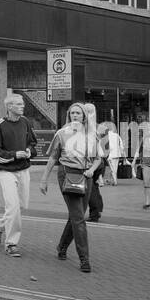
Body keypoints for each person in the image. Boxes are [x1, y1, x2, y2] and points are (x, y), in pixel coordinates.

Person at [39, 102, 101, 273]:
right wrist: (44, 179)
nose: (75, 116)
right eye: (72, 113)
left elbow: (98, 158)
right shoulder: (61, 133)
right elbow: (52, 158)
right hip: (67, 174)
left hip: (86, 176)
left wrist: (92, 171)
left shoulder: (91, 134)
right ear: (69, 115)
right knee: (79, 218)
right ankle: (84, 259)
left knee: (77, 215)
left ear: (84, 116)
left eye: (78, 113)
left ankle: (61, 246)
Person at [0, 92, 37, 257]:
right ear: (9, 107)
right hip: (6, 172)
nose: (22, 107)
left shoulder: (25, 122)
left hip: (24, 170)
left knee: (21, 207)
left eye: (22, 104)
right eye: (18, 104)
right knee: (13, 207)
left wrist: (31, 150)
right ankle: (11, 244)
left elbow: (32, 142)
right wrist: (15, 155)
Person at [103, 121, 124, 186]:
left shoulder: (106, 136)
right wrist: (122, 153)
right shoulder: (117, 135)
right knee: (114, 168)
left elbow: (106, 146)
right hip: (117, 154)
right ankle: (110, 180)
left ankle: (115, 181)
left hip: (110, 154)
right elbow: (121, 145)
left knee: (112, 168)